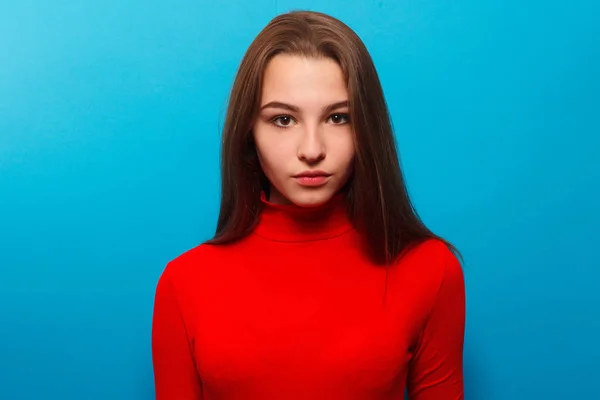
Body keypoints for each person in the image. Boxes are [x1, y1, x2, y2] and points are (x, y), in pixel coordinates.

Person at [152, 10, 466, 400]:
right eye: (283, 120)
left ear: (366, 128)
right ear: (248, 131)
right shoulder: (184, 284)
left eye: (338, 118)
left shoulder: (430, 270)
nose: (312, 150)